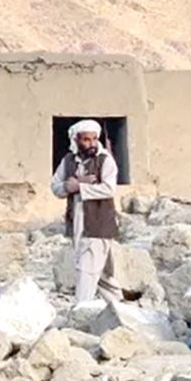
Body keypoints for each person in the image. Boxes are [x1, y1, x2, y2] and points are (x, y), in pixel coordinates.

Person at [51, 119, 121, 304]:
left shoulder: (105, 160)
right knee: (101, 274)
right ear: (76, 140)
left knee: (86, 269)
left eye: (94, 139)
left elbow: (109, 189)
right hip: (76, 224)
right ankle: (120, 306)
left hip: (98, 224)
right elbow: (56, 186)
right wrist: (67, 186)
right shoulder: (68, 161)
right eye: (86, 140)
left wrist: (80, 187)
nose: (91, 143)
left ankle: (80, 309)